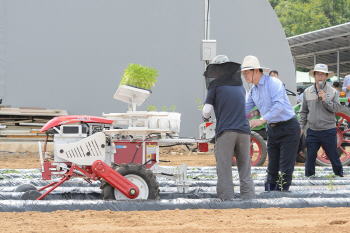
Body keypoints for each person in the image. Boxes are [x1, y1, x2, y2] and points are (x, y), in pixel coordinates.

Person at [242, 55, 300, 191]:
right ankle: (270, 195)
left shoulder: (274, 83)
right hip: (272, 130)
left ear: (256, 70)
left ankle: (282, 196)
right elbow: (245, 109)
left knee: (285, 166)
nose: (244, 75)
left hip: (288, 128)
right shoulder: (253, 91)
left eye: (246, 72)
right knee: (272, 166)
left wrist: (261, 120)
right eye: (243, 73)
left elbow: (278, 106)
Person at [202, 55, 255, 200]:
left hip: (226, 132)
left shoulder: (215, 87)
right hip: (244, 132)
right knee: (245, 168)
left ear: (218, 70)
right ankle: (249, 199)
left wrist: (206, 119)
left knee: (224, 168)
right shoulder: (240, 87)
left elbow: (206, 111)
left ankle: (227, 201)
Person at [299, 64, 343, 177]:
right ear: (314, 75)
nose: (320, 76)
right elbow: (303, 111)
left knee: (333, 156)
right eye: (318, 74)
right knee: (310, 157)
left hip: (328, 130)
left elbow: (337, 108)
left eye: (323, 74)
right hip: (313, 130)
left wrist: (325, 100)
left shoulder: (333, 92)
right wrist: (301, 127)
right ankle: (309, 178)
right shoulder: (307, 92)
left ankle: (340, 178)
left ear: (326, 76)